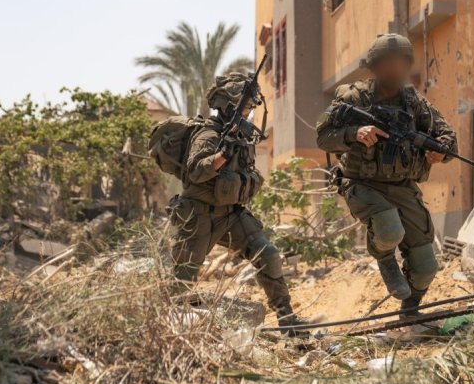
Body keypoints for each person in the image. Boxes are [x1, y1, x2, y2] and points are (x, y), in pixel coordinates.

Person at [316, 34, 458, 317]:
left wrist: (441, 151)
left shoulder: (414, 102)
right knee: (390, 230)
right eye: (387, 62)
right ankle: (383, 257)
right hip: (362, 183)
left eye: (401, 62)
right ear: (374, 66)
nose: (394, 69)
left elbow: (447, 137)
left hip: (403, 187)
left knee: (426, 266)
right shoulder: (353, 98)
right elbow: (323, 135)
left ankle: (410, 310)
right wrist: (354, 133)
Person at [168, 72, 308, 336]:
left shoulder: (241, 137)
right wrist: (222, 154)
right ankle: (171, 330)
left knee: (267, 254)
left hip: (231, 214)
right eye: (246, 106)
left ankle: (287, 320)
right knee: (182, 278)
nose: (249, 111)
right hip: (199, 215)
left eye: (251, 106)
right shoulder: (208, 135)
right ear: (228, 106)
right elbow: (195, 171)